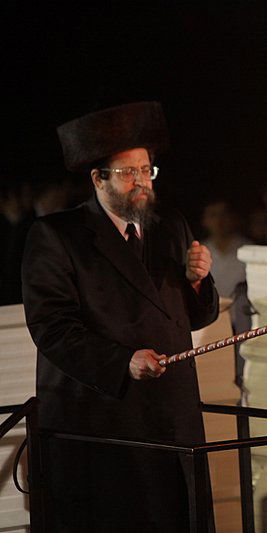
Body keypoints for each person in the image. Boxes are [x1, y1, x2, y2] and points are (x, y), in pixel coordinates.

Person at [21, 101, 219, 531]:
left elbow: (192, 317)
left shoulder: (170, 225)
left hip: (173, 415)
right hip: (105, 420)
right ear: (98, 178)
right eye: (129, 173)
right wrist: (121, 361)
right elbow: (51, 328)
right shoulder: (57, 235)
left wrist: (198, 282)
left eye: (147, 171)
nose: (142, 182)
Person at [201, 198, 251, 298]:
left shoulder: (249, 251)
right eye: (213, 215)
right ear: (205, 221)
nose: (219, 221)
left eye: (223, 214)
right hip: (210, 312)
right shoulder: (199, 252)